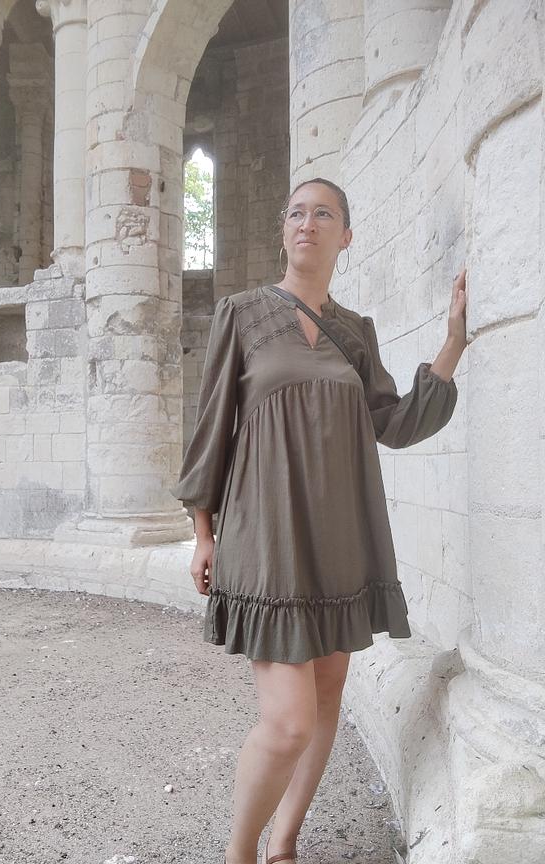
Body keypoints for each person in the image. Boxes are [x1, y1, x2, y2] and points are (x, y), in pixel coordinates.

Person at [170, 178, 467, 864]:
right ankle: (239, 854)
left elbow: (394, 423)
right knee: (288, 723)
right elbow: (212, 427)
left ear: (346, 236)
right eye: (296, 212)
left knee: (328, 695)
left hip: (341, 537)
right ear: (284, 231)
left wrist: (453, 342)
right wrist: (204, 534)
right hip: (267, 537)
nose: (307, 222)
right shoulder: (241, 313)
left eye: (323, 213)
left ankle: (284, 844)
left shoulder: (356, 331)